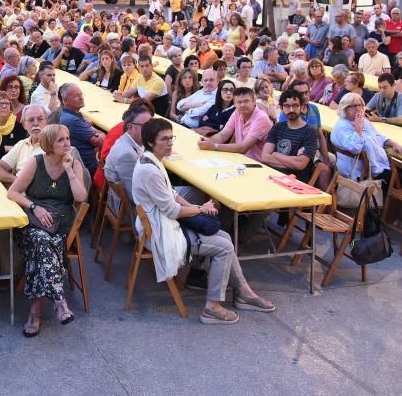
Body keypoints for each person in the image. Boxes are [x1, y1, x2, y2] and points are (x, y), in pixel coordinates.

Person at [132, 118, 274, 325]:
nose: (170, 143)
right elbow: (172, 210)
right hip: (159, 231)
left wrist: (194, 206)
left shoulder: (150, 160)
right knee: (224, 246)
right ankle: (212, 307)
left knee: (225, 236)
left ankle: (243, 291)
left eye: (172, 138)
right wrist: (201, 208)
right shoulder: (150, 169)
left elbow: (171, 194)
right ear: (151, 142)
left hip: (158, 223)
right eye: (165, 139)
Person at [7, 124, 88, 336]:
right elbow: (13, 192)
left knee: (42, 247)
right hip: (34, 223)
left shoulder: (74, 164)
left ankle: (35, 312)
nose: (67, 143)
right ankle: (59, 301)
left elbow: (81, 198)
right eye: (60, 140)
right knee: (41, 241)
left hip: (61, 226)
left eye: (68, 138)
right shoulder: (36, 163)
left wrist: (69, 169)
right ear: (48, 144)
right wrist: (35, 206)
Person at [331, 93, 402, 181]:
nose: (358, 108)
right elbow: (355, 148)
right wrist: (358, 129)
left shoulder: (363, 121)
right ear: (344, 108)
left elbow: (377, 135)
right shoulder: (342, 127)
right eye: (353, 106)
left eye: (360, 105)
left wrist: (393, 143)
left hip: (379, 165)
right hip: (361, 172)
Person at [198, 87, 272, 161]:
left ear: (254, 101)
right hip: (238, 158)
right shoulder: (237, 112)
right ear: (235, 104)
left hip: (257, 164)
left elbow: (244, 148)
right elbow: (222, 135)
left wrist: (214, 146)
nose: (242, 105)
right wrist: (206, 141)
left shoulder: (261, 117)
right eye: (239, 102)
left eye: (246, 101)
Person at [261, 89, 319, 181]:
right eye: (287, 106)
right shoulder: (277, 127)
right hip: (270, 176)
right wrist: (293, 162)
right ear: (281, 108)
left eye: (295, 106)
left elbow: (300, 165)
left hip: (294, 183)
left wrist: (275, 154)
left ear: (302, 107)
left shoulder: (309, 132)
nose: (291, 110)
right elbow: (264, 157)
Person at [103, 103, 151, 206]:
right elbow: (136, 196)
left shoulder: (128, 140)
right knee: (193, 194)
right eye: (147, 125)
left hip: (145, 194)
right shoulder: (126, 155)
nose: (152, 129)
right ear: (130, 127)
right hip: (134, 212)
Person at [57, 83, 104, 174]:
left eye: (81, 94)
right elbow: (100, 141)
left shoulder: (71, 114)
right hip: (87, 168)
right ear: (65, 101)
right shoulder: (72, 120)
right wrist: (101, 134)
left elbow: (93, 130)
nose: (81, 98)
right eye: (76, 96)